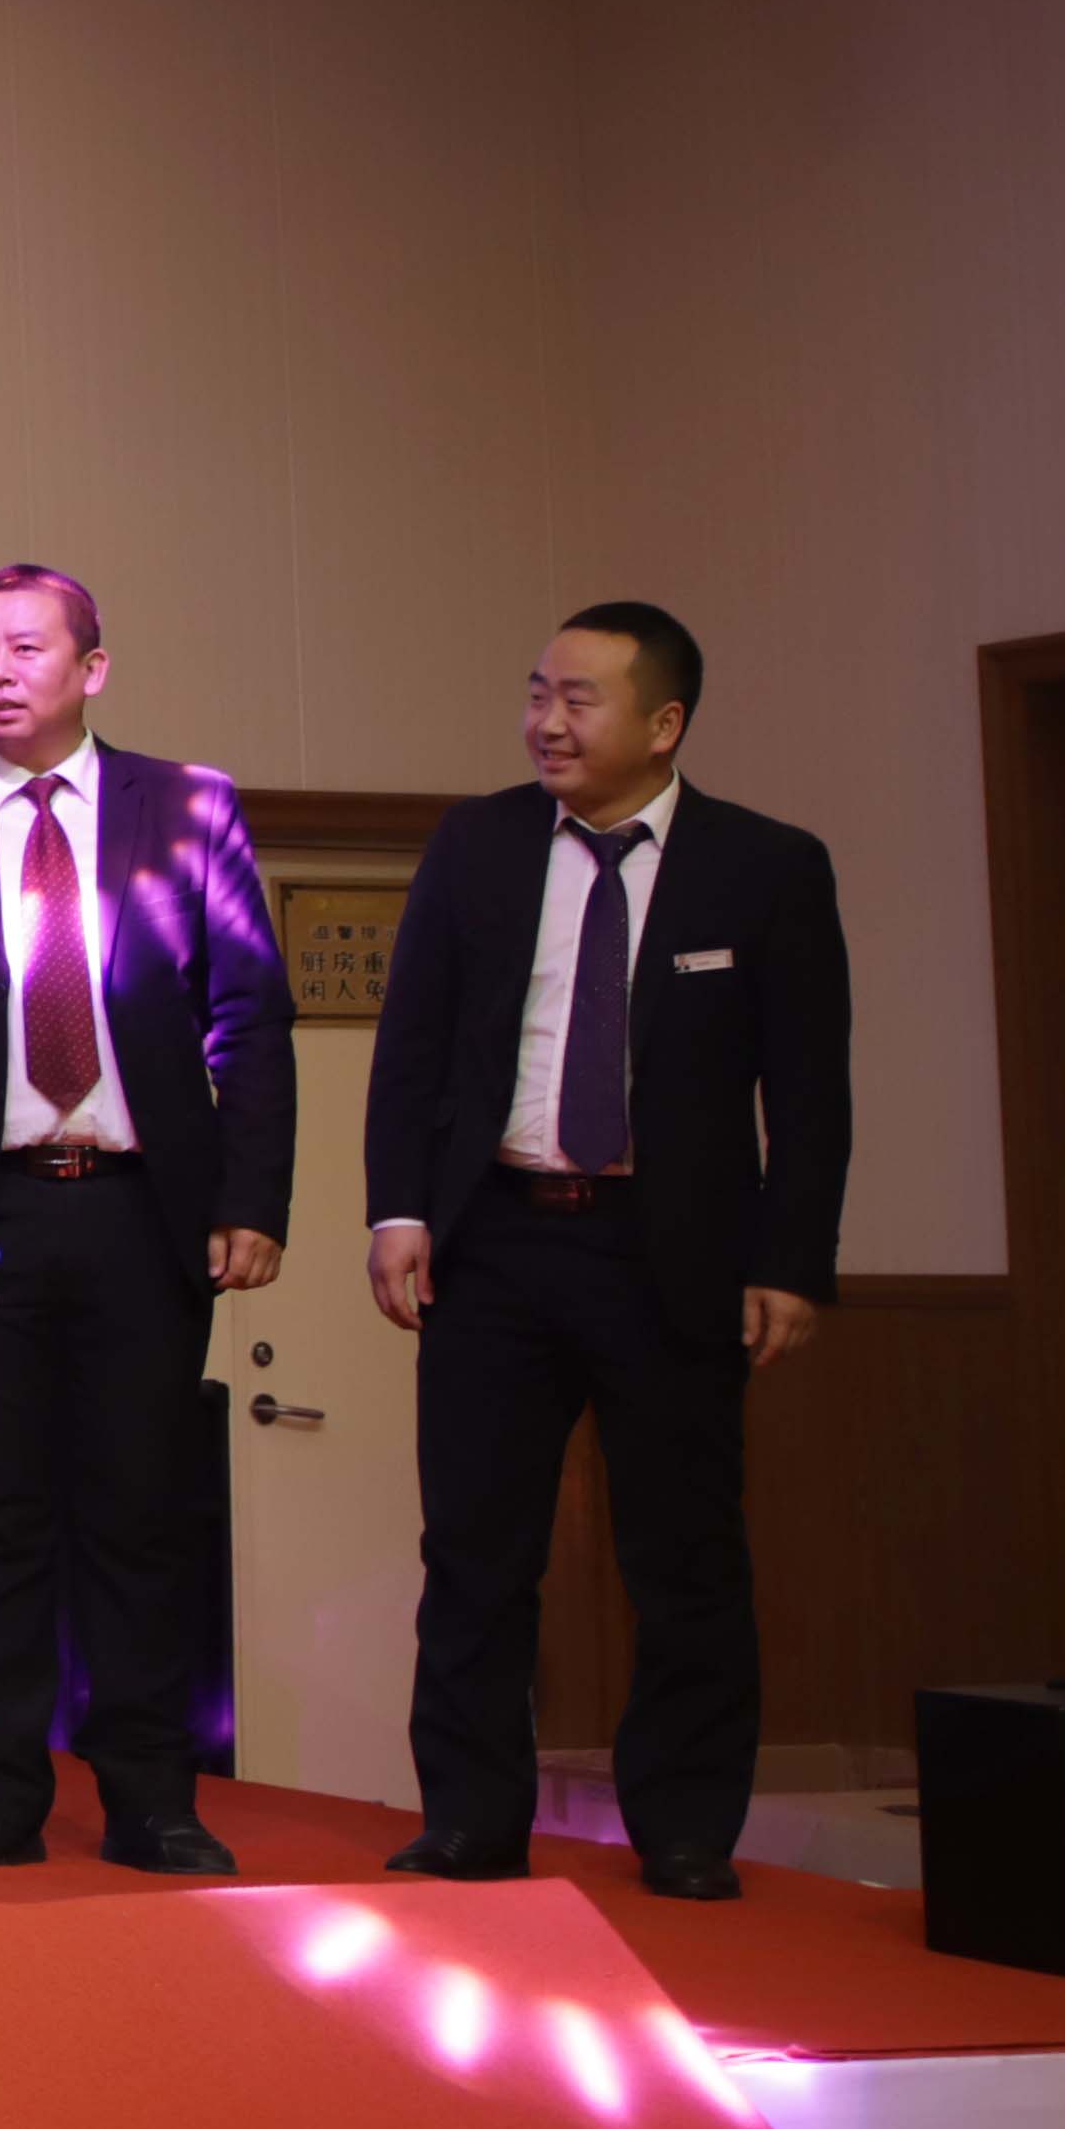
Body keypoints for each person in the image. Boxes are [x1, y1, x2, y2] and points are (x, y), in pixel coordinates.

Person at [363, 602, 850, 1901]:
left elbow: (810, 1092)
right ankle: (471, 1819)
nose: (547, 721)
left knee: (684, 1554)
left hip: (669, 1253)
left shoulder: (765, 867)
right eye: (538, 693)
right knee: (475, 1551)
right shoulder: (476, 845)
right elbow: (412, 1047)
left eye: (579, 699)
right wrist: (397, 1210)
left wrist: (793, 1260)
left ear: (664, 721)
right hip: (498, 1242)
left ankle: (684, 1828)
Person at [0, 564, 293, 1876]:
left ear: (92, 667)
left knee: (140, 1517)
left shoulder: (188, 805)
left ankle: (153, 1798)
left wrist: (252, 1197)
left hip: (146, 1214)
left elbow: (250, 1016)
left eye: (25, 648)